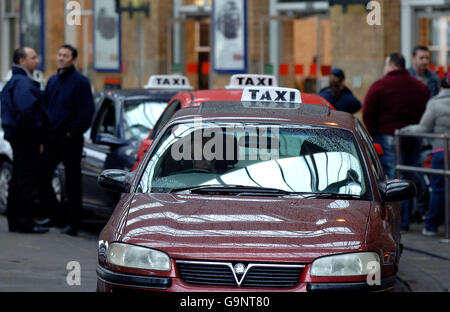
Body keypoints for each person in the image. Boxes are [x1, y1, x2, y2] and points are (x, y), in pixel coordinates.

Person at [363, 53, 430, 232]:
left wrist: (374, 133)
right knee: (409, 177)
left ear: (391, 65)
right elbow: (425, 110)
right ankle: (407, 219)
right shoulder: (420, 87)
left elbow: (368, 112)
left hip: (389, 136)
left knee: (394, 180)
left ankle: (398, 221)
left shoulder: (380, 86)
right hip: (414, 137)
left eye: (385, 65)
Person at [40, 44, 95, 236]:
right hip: (52, 138)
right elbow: (45, 109)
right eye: (59, 54)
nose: (61, 58)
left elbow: (86, 112)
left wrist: (72, 133)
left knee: (72, 182)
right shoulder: (53, 81)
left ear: (73, 60)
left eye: (65, 55)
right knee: (42, 176)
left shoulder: (80, 82)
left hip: (70, 139)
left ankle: (73, 223)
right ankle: (56, 216)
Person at [0, 47, 49, 233]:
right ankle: (24, 221)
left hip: (18, 137)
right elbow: (26, 111)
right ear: (22, 61)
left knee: (18, 177)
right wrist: (38, 132)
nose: (36, 61)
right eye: (33, 57)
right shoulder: (22, 83)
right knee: (25, 179)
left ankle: (17, 220)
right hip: (26, 138)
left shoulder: (14, 81)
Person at [400, 73, 450, 236]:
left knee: (437, 190)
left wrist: (404, 130)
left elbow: (424, 128)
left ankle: (431, 226)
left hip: (441, 151)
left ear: (442, 86)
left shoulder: (435, 103)